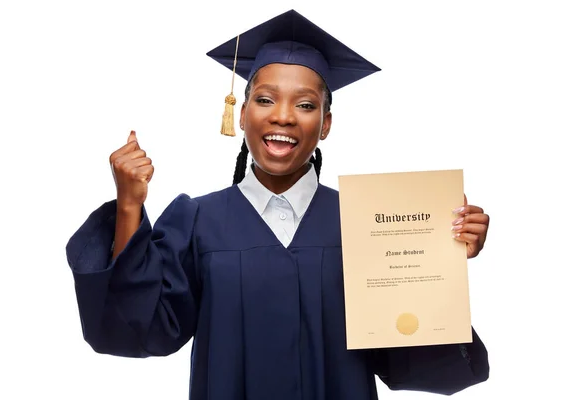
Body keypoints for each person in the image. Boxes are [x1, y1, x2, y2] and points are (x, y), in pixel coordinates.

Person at [66, 9, 490, 400]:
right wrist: (128, 208)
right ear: (242, 111)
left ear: (324, 124)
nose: (283, 116)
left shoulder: (365, 222)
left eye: (305, 105)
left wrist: (441, 262)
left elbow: (406, 358)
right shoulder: (196, 221)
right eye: (266, 99)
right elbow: (136, 331)